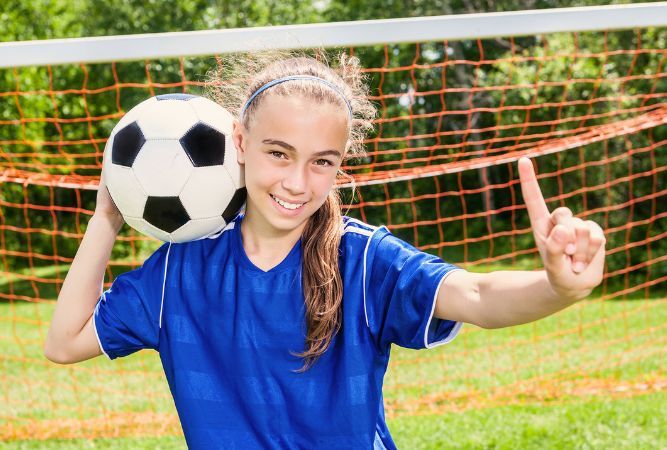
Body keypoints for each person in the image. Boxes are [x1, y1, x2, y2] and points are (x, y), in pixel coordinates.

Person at [44, 50, 606, 449]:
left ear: (340, 166)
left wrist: (556, 287)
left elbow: (478, 295)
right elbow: (65, 342)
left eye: (322, 162)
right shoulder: (181, 270)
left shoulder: (361, 262)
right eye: (279, 153)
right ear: (240, 143)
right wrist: (106, 220)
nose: (297, 182)